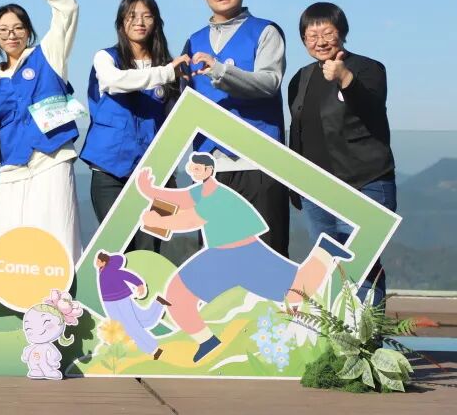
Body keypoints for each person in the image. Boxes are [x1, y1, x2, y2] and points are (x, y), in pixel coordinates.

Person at [138, 152, 353, 363]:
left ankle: (326, 251)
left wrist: (159, 221)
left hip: (241, 254)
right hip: (223, 255)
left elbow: (191, 219)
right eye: (191, 168)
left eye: (197, 169)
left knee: (295, 293)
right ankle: (208, 341)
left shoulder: (217, 196)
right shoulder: (203, 190)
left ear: (208, 170)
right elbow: (182, 198)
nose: (193, 172)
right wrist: (150, 191)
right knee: (177, 295)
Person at [288, 2, 396, 304]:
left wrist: (345, 78)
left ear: (342, 33)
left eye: (327, 33)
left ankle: (367, 331)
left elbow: (372, 109)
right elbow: (297, 131)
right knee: (326, 265)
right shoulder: (300, 78)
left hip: (364, 184)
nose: (320, 41)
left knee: (363, 266)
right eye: (311, 36)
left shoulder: (368, 68)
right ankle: (338, 330)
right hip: (317, 190)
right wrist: (295, 186)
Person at [184, 0, 291, 256]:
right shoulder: (193, 41)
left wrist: (220, 71)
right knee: (213, 257)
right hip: (209, 164)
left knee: (267, 254)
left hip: (257, 160)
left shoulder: (265, 31)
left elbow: (270, 82)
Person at [79, 0, 189, 251]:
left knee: (150, 251)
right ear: (121, 22)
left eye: (147, 16)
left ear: (156, 22)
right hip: (110, 172)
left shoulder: (170, 67)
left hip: (156, 172)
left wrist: (171, 172)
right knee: (117, 250)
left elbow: (176, 119)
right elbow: (115, 81)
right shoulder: (106, 58)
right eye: (131, 16)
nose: (139, 22)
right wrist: (165, 73)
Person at [0, 0, 82, 261]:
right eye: (3, 30)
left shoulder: (49, 55)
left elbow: (67, 10)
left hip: (52, 158)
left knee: (58, 235)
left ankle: (67, 288)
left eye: (18, 28)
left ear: (28, 31)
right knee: (6, 238)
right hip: (13, 166)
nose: (11, 35)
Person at [95, 251, 167, 360]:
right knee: (141, 320)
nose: (96, 262)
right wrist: (139, 284)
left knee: (130, 327)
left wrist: (139, 284)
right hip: (113, 301)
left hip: (119, 301)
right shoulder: (103, 270)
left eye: (98, 260)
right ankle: (159, 303)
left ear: (103, 262)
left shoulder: (109, 271)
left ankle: (154, 349)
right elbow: (126, 275)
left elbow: (126, 275)